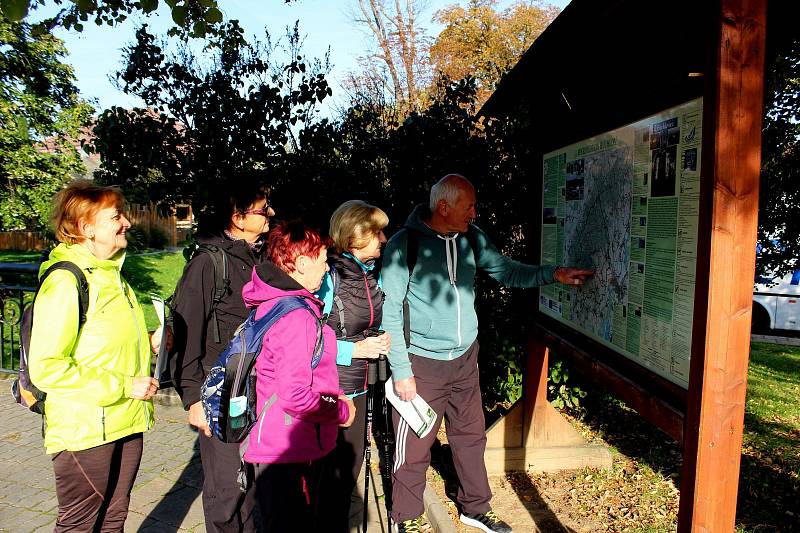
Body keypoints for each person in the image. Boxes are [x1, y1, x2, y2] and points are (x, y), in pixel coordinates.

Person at [381, 174, 592, 533]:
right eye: (469, 206)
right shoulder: (405, 245)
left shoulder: (471, 239)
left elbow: (507, 271)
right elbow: (389, 311)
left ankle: (475, 508)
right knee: (415, 445)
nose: (474, 213)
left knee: (470, 435)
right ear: (443, 206)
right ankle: (407, 515)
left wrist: (552, 274)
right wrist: (401, 369)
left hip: (465, 359)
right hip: (422, 363)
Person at [28, 180, 161, 532]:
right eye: (116, 216)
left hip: (126, 419)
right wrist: (124, 385)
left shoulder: (112, 276)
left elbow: (102, 344)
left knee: (114, 519)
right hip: (85, 429)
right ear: (86, 228)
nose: (127, 223)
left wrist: (149, 342)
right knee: (81, 525)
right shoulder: (66, 282)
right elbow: (47, 367)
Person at [170, 181, 274, 533]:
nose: (270, 213)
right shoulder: (207, 264)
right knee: (225, 492)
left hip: (256, 389)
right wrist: (191, 398)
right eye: (262, 209)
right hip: (220, 394)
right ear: (238, 217)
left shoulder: (259, 258)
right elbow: (187, 331)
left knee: (249, 483)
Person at [241, 220, 356, 532]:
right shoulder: (296, 316)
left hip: (279, 442)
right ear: (302, 263)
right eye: (322, 261)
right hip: (290, 448)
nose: (326, 269)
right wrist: (341, 410)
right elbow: (295, 395)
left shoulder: (274, 302)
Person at [316, 200, 391, 531]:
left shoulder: (367, 274)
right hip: (332, 389)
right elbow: (306, 341)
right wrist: (354, 350)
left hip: (361, 387)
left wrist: (380, 338)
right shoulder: (328, 277)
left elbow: (366, 322)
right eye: (377, 233)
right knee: (330, 478)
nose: (384, 239)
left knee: (349, 471)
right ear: (355, 236)